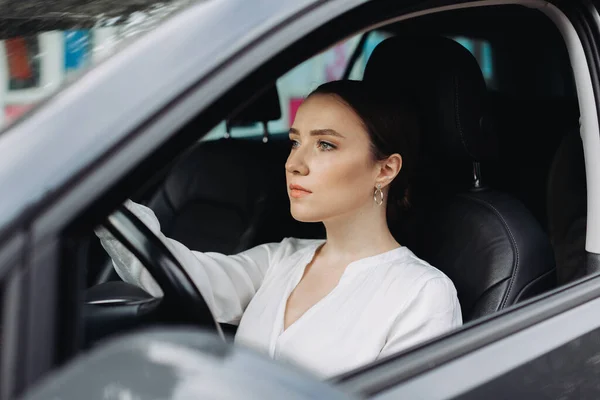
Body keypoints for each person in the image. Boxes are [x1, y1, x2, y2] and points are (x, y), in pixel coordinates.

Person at [96, 80, 462, 378]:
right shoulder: (281, 258)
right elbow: (179, 276)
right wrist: (100, 198)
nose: (294, 164)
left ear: (385, 170)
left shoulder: (422, 295)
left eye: (325, 144)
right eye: (295, 142)